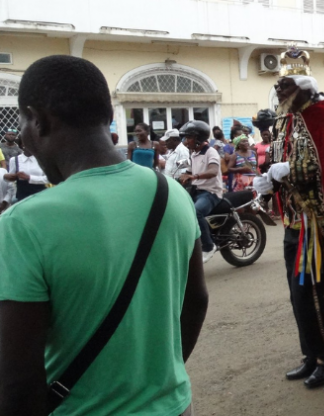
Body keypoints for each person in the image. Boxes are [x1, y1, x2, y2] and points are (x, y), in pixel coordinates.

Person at [0, 55, 208, 416]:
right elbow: (197, 302)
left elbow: (17, 382)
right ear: (109, 114)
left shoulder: (23, 224)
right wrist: (158, 381)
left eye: (22, 122)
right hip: (174, 406)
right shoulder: (171, 193)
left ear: (40, 119)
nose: (23, 139)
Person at [254, 75, 324, 389]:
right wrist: (267, 183)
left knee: (308, 293)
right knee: (297, 295)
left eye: (286, 85)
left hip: (316, 223)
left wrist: (291, 170)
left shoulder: (323, 116)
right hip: (293, 221)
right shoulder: (284, 121)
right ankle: (313, 353)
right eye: (277, 86)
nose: (279, 91)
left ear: (304, 89)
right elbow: (277, 161)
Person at [179, 120, 223, 264]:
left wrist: (195, 176)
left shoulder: (211, 152)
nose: (186, 141)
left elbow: (213, 171)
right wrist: (182, 176)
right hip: (196, 191)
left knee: (195, 212)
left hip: (211, 192)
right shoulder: (194, 154)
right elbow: (190, 171)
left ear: (198, 138)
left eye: (189, 137)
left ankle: (209, 246)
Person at [3, 137, 48, 206]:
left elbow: (48, 179)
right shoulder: (15, 160)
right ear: (21, 144)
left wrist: (29, 178)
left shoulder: (42, 159)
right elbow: (10, 180)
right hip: (22, 197)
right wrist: (7, 177)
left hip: (41, 195)